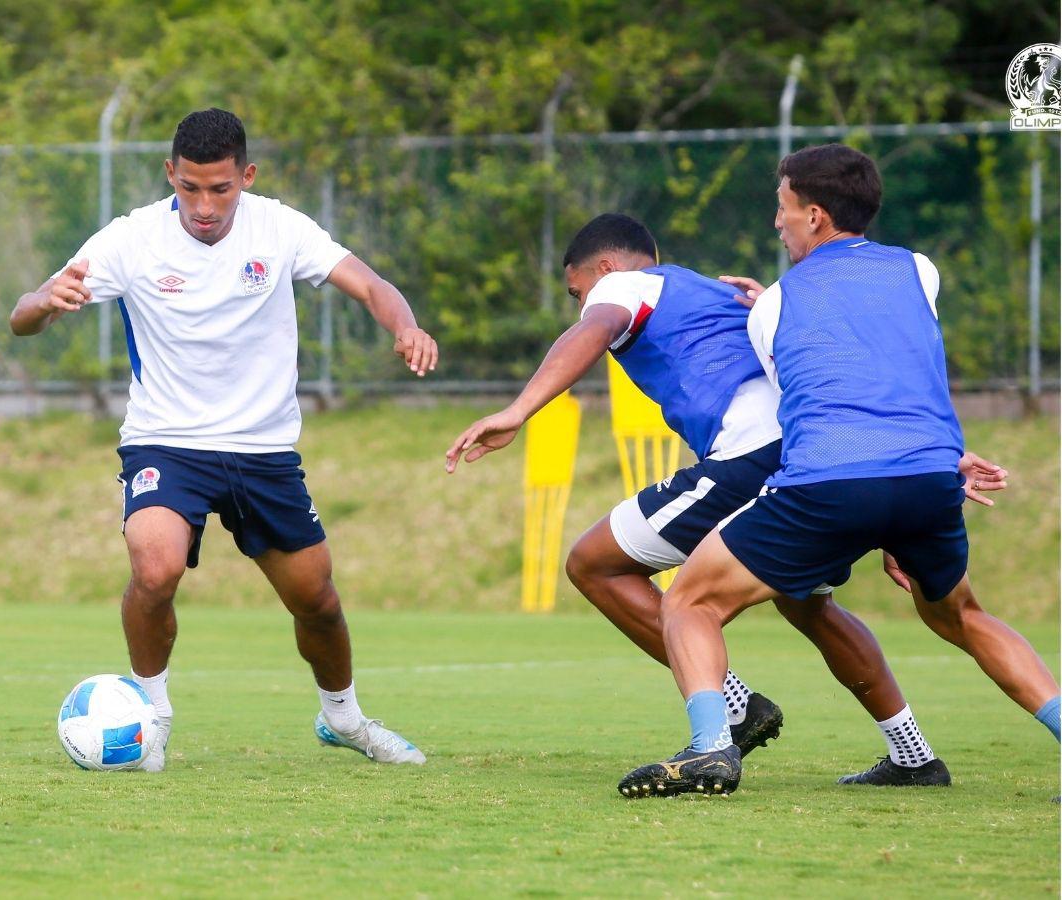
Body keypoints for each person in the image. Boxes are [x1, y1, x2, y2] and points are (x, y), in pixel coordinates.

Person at [445, 212, 1004, 788]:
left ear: (605, 267)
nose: (580, 303)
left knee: (595, 564)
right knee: (808, 604)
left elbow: (593, 328)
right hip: (815, 452)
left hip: (748, 454)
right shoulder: (719, 291)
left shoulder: (621, 286)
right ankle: (912, 755)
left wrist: (519, 410)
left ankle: (731, 712)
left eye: (575, 290)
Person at [617, 143, 1060, 799]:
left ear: (816, 215)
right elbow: (887, 359)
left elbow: (809, 396)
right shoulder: (919, 269)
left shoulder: (772, 309)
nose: (778, 222)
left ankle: (710, 749)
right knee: (962, 615)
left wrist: (771, 303)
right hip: (929, 476)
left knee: (690, 599)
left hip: (831, 481)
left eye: (783, 207)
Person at [11, 108, 435, 770]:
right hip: (166, 441)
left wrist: (404, 325)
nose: (204, 206)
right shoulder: (131, 240)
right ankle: (151, 721)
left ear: (247, 176)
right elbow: (24, 315)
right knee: (156, 567)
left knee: (316, 600)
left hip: (264, 451)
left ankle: (344, 718)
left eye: (221, 189)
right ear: (170, 175)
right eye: (189, 188)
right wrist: (41, 303)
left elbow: (371, 285)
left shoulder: (280, 228)